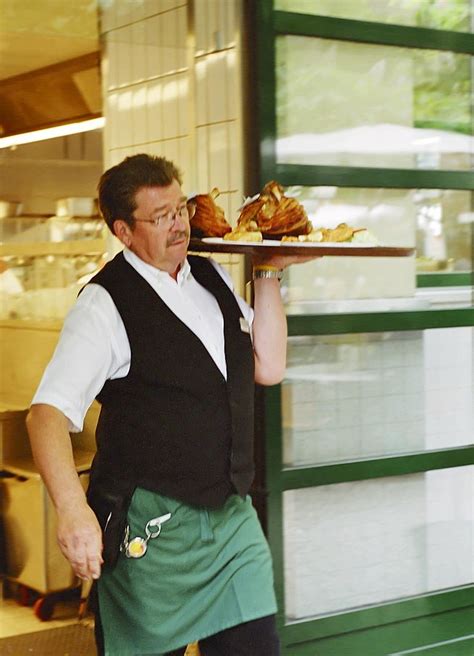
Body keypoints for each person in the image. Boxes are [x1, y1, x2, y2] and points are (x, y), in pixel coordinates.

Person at [26, 153, 313, 656]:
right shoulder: (104, 304)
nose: (179, 224)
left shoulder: (211, 277)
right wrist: (72, 511)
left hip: (230, 519)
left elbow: (267, 365)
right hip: (152, 531)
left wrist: (267, 270)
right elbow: (45, 417)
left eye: (180, 209)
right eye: (160, 217)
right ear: (123, 231)